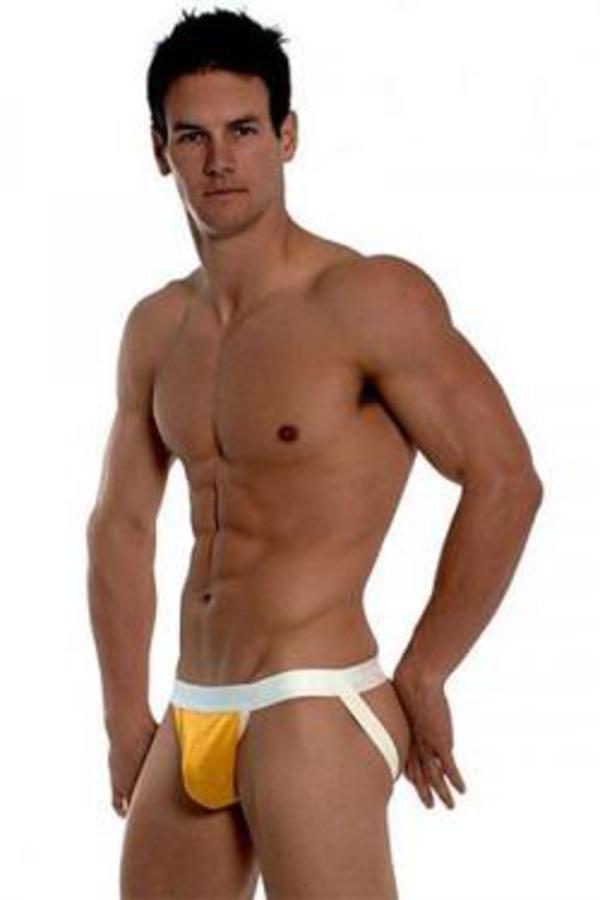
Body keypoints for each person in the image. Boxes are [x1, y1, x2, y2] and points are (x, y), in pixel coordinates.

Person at [86, 7, 543, 899]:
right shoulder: (157, 329)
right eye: (193, 136)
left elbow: (505, 478)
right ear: (159, 149)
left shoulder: (366, 298)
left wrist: (427, 667)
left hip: (313, 694)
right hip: (193, 702)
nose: (220, 160)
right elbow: (120, 527)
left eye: (244, 130)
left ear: (286, 137)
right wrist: (120, 715)